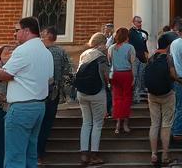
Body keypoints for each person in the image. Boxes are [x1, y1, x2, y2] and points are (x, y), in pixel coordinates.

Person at [0, 16, 55, 168]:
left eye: (16, 30)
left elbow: (5, 75)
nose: (14, 34)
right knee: (30, 154)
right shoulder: (46, 52)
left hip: (21, 108)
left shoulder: (22, 50)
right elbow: (50, 79)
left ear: (26, 31)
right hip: (39, 107)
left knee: (14, 156)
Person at [76, 33, 110, 166]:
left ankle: (84, 154)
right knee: (97, 123)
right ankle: (94, 154)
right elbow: (106, 75)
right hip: (97, 92)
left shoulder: (84, 54)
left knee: (86, 122)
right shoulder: (101, 57)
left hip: (81, 92)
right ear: (101, 43)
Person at [144, 41, 177, 167]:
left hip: (152, 95)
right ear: (168, 46)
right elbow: (173, 74)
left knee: (154, 124)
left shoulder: (151, 57)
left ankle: (153, 154)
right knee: (166, 125)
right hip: (167, 94)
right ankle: (164, 154)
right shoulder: (168, 58)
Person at [40, 27, 71, 158]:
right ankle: (39, 152)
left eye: (44, 33)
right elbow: (67, 71)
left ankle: (38, 152)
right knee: (46, 122)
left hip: (43, 91)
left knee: (43, 122)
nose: (41, 34)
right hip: (53, 91)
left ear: (49, 35)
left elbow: (66, 71)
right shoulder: (61, 51)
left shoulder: (39, 51)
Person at [111, 26, 138, 133]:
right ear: (127, 36)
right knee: (127, 98)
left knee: (117, 98)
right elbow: (133, 63)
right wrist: (134, 77)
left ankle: (118, 122)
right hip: (126, 74)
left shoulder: (111, 48)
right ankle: (125, 122)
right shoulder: (130, 47)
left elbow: (110, 63)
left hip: (115, 74)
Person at [130, 15, 151, 104]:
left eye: (140, 22)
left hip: (142, 56)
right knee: (134, 76)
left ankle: (140, 94)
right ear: (133, 22)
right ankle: (135, 96)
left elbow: (144, 44)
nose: (140, 23)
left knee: (141, 75)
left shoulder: (144, 33)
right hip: (134, 57)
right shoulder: (130, 32)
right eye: (138, 22)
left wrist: (146, 52)